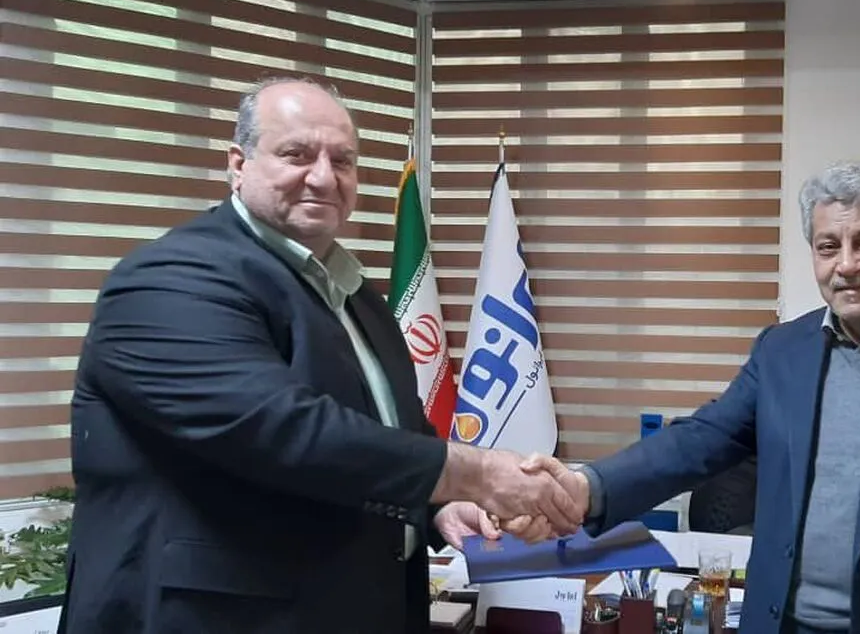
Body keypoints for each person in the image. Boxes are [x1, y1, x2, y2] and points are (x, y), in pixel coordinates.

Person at [57, 76, 581, 634]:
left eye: (343, 160)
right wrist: (477, 474)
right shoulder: (172, 279)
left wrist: (441, 507)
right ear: (238, 164)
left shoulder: (356, 296)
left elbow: (392, 436)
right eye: (297, 154)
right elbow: (283, 431)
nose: (324, 177)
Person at [522, 162, 860, 633]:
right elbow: (701, 439)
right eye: (828, 246)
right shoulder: (782, 351)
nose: (847, 265)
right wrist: (585, 488)